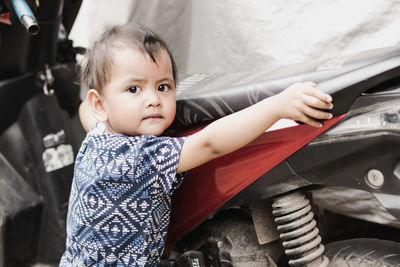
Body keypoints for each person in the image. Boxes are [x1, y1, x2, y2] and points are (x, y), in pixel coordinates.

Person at [60, 22, 333, 266]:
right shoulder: (140, 156)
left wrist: (108, 100)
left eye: (163, 87)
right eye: (134, 89)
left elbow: (87, 111)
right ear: (100, 104)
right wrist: (276, 106)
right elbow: (209, 144)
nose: (153, 99)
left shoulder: (98, 134)